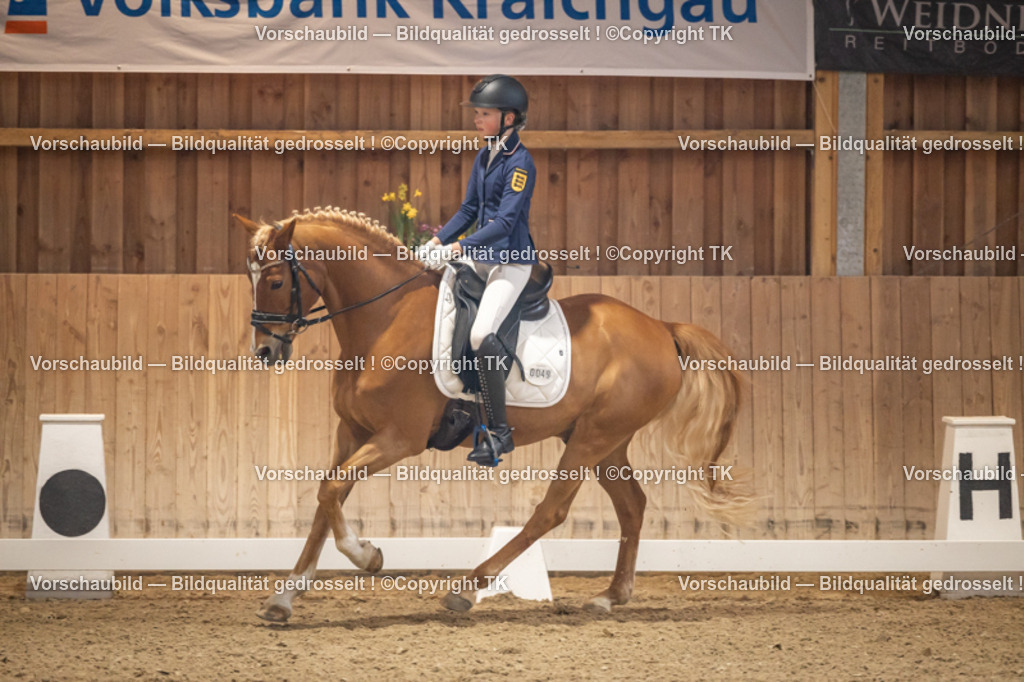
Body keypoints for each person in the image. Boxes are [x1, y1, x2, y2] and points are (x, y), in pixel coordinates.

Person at [424, 74, 537, 466]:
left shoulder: (520, 163)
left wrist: (458, 247)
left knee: (480, 334)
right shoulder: (484, 155)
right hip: (480, 257)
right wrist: (437, 241)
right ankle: (457, 404)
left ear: (509, 118)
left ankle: (499, 433)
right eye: (477, 113)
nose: (476, 119)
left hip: (511, 261)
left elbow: (505, 223)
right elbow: (469, 209)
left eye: (484, 114)